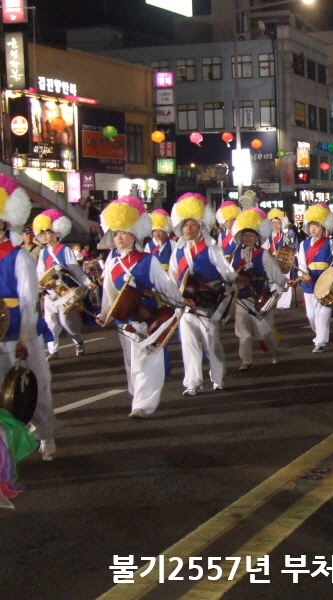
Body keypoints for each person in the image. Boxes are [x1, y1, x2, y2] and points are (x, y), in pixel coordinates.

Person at [97, 196, 191, 418]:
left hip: (145, 317)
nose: (119, 237)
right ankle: (137, 398)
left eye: (124, 233)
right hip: (123, 319)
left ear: (134, 234)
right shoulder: (112, 261)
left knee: (146, 362)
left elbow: (165, 285)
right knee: (131, 362)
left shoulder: (148, 260)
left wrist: (180, 301)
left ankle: (143, 404)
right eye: (116, 233)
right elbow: (109, 292)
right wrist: (105, 314)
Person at [0, 174, 58, 461]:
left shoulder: (19, 257)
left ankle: (46, 434)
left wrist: (23, 336)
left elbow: (27, 300)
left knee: (34, 389)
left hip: (21, 335)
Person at [168, 193, 236, 396]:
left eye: (192, 224)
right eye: (185, 224)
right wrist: (174, 299)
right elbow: (172, 277)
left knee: (212, 344)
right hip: (186, 306)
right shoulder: (177, 251)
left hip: (207, 304)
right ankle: (193, 383)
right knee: (189, 346)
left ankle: (218, 378)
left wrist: (223, 283)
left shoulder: (211, 248)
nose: (188, 228)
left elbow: (227, 273)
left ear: (201, 226)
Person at [230, 208, 289, 370]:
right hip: (241, 298)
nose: (248, 238)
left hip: (260, 297)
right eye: (245, 235)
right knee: (243, 333)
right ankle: (246, 361)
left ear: (257, 237)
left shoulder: (263, 254)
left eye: (251, 235)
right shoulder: (235, 254)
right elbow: (230, 274)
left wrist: (284, 283)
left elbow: (275, 273)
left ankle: (274, 352)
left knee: (265, 332)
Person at [33, 209, 91, 359]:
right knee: (50, 323)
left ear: (56, 233)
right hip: (50, 294)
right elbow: (40, 272)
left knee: (67, 323)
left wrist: (87, 282)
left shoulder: (65, 250)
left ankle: (78, 341)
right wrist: (40, 286)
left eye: (48, 232)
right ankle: (53, 350)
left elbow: (75, 269)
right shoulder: (43, 253)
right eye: (43, 233)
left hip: (66, 293)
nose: (45, 235)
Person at [296, 204, 333, 352]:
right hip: (309, 282)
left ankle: (320, 342)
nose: (313, 229)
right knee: (311, 315)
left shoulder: (330, 243)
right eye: (311, 226)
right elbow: (301, 263)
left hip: (325, 281)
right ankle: (319, 333)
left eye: (317, 226)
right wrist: (304, 275)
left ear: (323, 227)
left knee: (323, 313)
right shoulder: (304, 244)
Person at [265, 209, 296, 310]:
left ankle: (283, 304)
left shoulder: (285, 235)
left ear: (280, 224)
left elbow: (291, 248)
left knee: (286, 281)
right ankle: (270, 302)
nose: (275, 224)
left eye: (277, 222)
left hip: (284, 261)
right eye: (273, 222)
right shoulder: (267, 237)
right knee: (271, 282)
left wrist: (289, 244)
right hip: (271, 261)